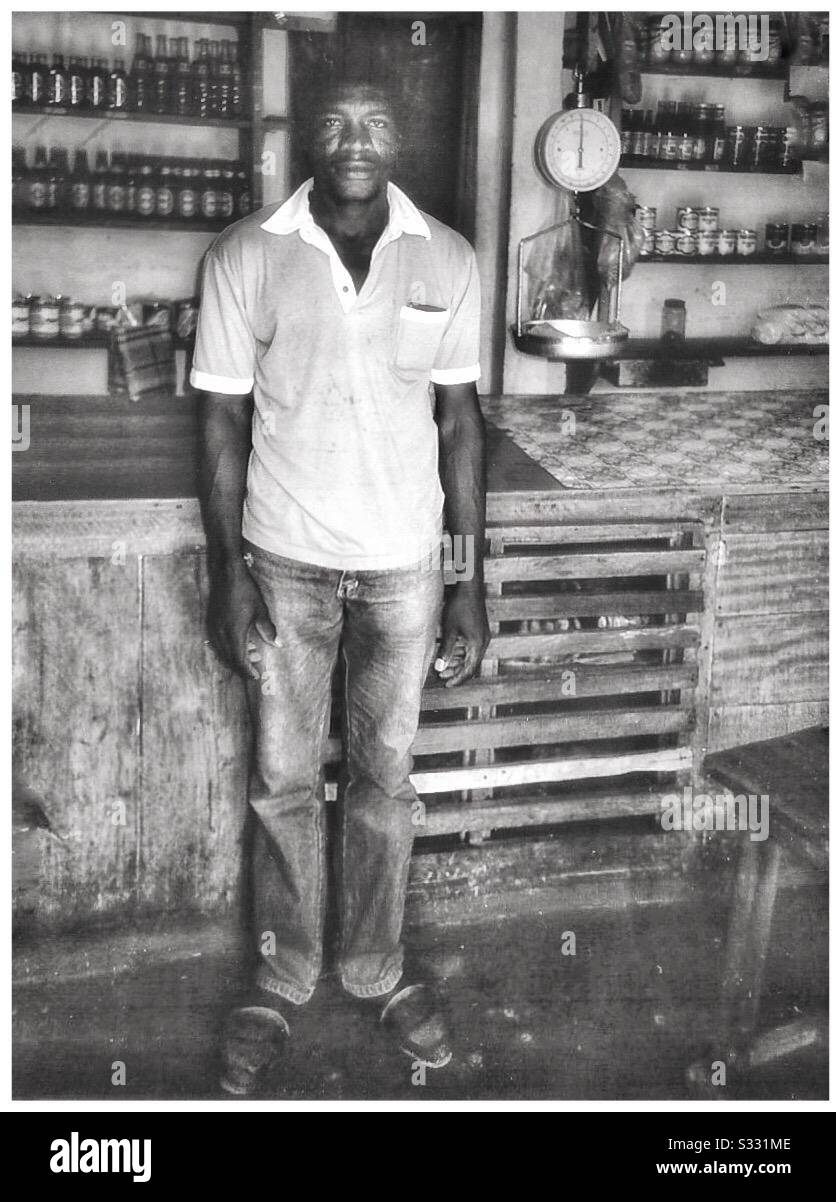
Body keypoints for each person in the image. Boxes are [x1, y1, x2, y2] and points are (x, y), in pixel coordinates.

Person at [191, 78, 489, 1096]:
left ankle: (374, 966)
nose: (355, 141)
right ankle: (279, 977)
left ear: (400, 135)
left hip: (406, 567)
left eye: (376, 122)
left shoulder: (447, 256)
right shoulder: (244, 254)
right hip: (284, 560)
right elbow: (221, 423)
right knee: (280, 782)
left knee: (382, 782)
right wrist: (228, 573)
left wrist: (465, 581)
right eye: (336, 121)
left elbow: (459, 423)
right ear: (307, 132)